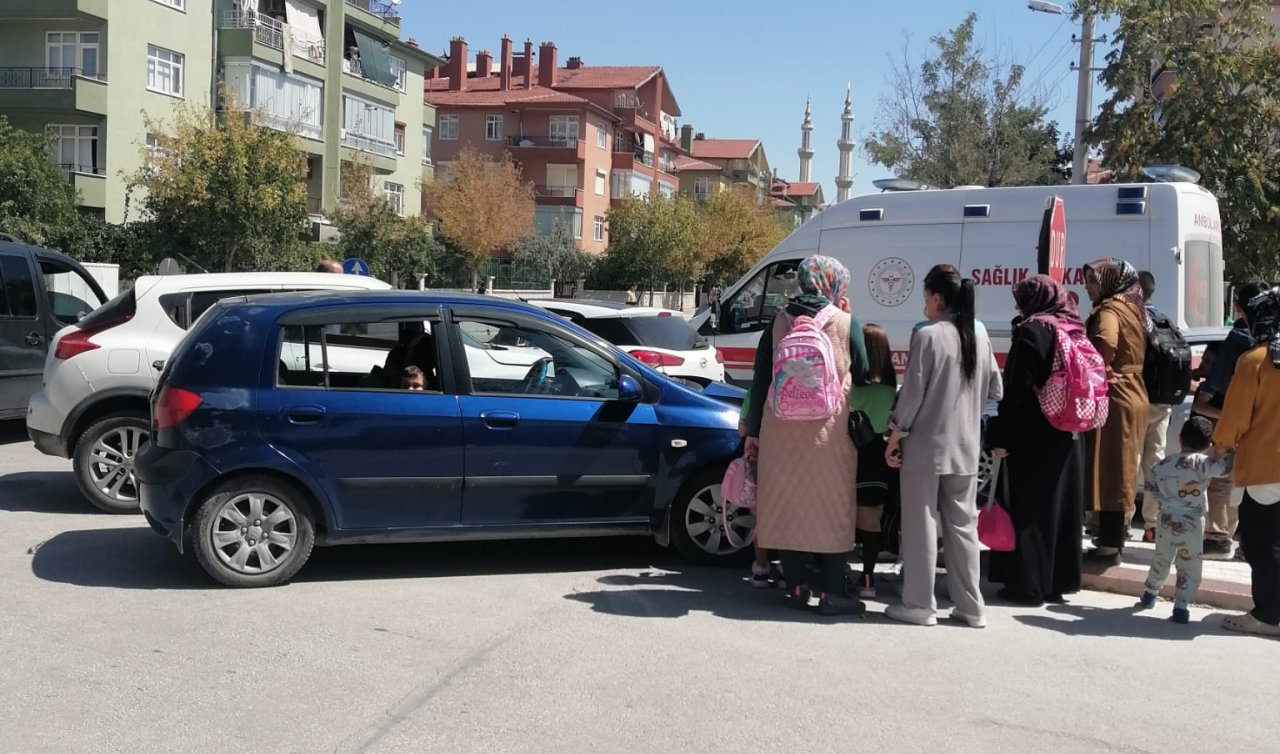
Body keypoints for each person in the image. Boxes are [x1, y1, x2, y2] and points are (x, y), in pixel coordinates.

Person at [743, 255, 869, 617]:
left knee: (790, 506)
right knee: (830, 508)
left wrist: (753, 431)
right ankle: (832, 592)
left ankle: (796, 587)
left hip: (781, 429)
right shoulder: (846, 322)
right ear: (834, 286)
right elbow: (862, 371)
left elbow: (761, 379)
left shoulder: (778, 323)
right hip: (829, 434)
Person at [884, 264, 1002, 628]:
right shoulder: (979, 336)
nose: (924, 306)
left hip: (925, 445)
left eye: (925, 298)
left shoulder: (929, 336)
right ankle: (971, 606)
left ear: (936, 298)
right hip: (966, 446)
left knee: (921, 523)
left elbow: (913, 395)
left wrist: (894, 434)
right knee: (963, 527)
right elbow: (996, 391)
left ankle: (920, 603)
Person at [987, 275, 1085, 607]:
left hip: (1033, 434)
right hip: (1069, 432)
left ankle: (1027, 584)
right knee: (1061, 509)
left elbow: (1016, 390)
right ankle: (1057, 581)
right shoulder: (1073, 327)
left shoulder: (1031, 331)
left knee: (1029, 508)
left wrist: (1000, 435)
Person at [1215, 286, 1280, 638]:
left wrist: (1219, 446)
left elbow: (1235, 418)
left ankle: (1268, 615)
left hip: (1265, 469)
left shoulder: (1255, 361)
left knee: (1260, 541)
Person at [1082, 258, 1149, 564]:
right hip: (1135, 391)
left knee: (1111, 471)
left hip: (1117, 395)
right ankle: (1111, 539)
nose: (1087, 288)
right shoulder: (1133, 307)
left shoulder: (1110, 311)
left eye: (1094, 282)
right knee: (1121, 469)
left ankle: (1109, 545)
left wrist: (1098, 367)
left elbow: (1106, 340)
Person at [1194, 282, 1268, 558]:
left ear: (1238, 307)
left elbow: (1210, 395)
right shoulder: (1270, 343)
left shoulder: (1238, 342)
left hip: (1227, 418)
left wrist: (1228, 423)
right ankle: (1242, 541)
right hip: (1261, 426)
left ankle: (1217, 537)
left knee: (1221, 480)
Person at [1135, 417, 1234, 624]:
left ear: (1180, 440)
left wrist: (1163, 499)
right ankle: (1181, 606)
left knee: (1162, 558)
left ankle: (1150, 593)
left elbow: (1151, 485)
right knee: (1189, 563)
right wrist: (1228, 451)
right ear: (1208, 445)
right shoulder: (1202, 463)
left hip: (1165, 518)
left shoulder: (1163, 464)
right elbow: (1222, 470)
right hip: (1192, 522)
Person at [849, 322, 899, 599]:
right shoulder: (893, 392)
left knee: (843, 519)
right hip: (879, 460)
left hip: (849, 456)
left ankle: (834, 571)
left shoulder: (850, 390)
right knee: (871, 521)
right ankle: (867, 579)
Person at [1137, 270, 1173, 543]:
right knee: (1154, 463)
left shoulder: (1135, 319)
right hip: (1163, 401)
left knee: (1131, 461)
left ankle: (1123, 520)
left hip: (1140, 398)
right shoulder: (1165, 319)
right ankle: (1152, 524)